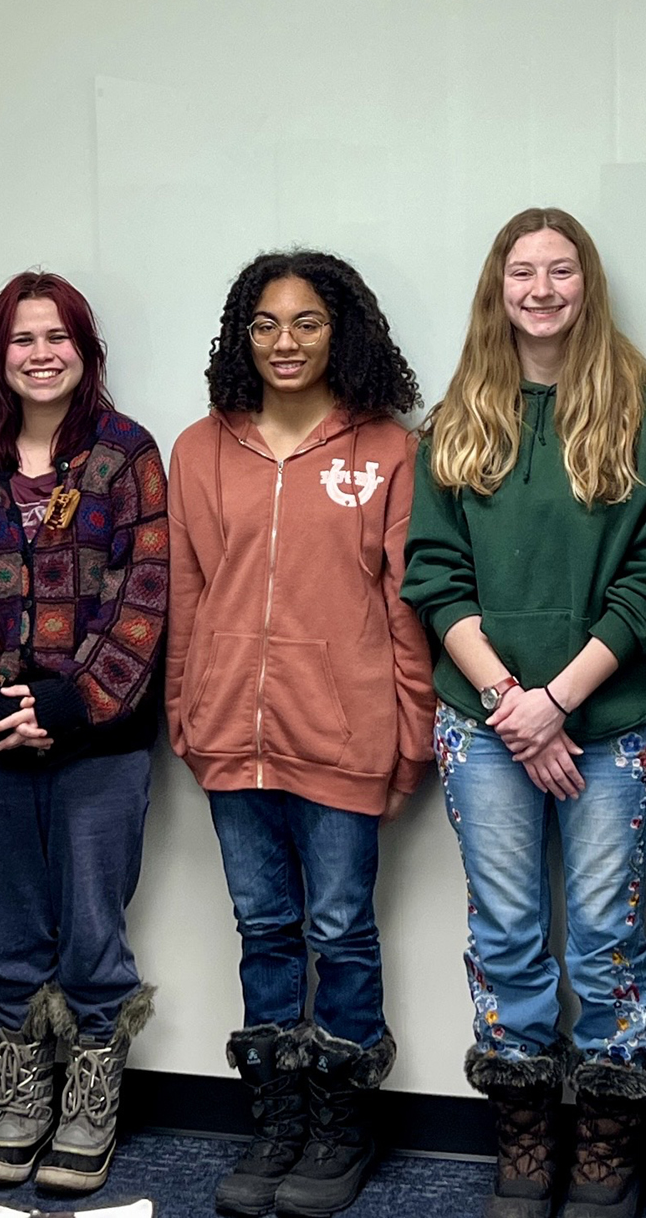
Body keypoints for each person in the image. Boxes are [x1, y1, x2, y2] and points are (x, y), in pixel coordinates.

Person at [403, 207, 646, 1218]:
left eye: (559, 270)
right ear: (497, 287)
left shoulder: (642, 419)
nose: (540, 288)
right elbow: (430, 579)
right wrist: (507, 702)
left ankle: (608, 1131)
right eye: (520, 271)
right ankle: (523, 1126)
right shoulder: (454, 418)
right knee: (508, 930)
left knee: (605, 932)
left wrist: (555, 701)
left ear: (585, 283)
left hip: (613, 721)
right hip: (482, 720)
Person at [166, 250, 433, 1218]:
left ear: (341, 331)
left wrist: (413, 727)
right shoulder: (197, 449)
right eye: (266, 324)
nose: (285, 342)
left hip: (346, 730)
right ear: (243, 336)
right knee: (264, 930)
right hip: (230, 729)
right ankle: (274, 1117)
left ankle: (338, 1125)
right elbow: (188, 593)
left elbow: (406, 603)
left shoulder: (388, 449)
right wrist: (185, 712)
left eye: (306, 322)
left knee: (339, 932)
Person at [0, 271, 168, 1196]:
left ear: (85, 350)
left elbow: (145, 597)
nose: (41, 353)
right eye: (23, 339)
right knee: (5, 917)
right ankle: (21, 1092)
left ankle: (92, 1095)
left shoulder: (129, 455)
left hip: (99, 737)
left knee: (92, 921)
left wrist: (66, 703)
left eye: (58, 336)